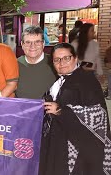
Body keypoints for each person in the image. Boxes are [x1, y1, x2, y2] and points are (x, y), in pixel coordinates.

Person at [40, 43, 111, 175]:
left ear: (75, 58)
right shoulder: (61, 80)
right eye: (57, 60)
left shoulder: (86, 80)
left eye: (66, 58)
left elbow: (98, 114)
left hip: (77, 152)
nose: (61, 63)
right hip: (59, 143)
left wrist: (60, 110)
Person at [15, 26, 57, 99]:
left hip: (46, 109)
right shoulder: (14, 64)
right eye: (28, 42)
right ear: (22, 44)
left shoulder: (55, 63)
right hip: (20, 108)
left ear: (43, 43)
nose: (32, 46)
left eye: (37, 42)